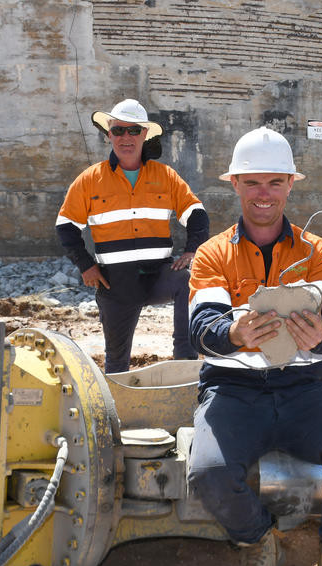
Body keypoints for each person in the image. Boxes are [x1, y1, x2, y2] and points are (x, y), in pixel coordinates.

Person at [187, 126, 322, 566]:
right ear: (234, 185)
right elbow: (201, 326)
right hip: (233, 391)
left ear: (291, 184)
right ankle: (260, 546)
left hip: (301, 391)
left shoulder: (317, 252)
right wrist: (232, 335)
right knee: (208, 473)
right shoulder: (212, 254)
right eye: (252, 183)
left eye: (275, 182)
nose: (264, 194)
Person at [55, 99, 209, 373]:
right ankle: (119, 408)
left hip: (159, 275)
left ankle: (184, 362)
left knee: (186, 280)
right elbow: (66, 226)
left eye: (134, 130)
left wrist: (191, 251)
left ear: (145, 135)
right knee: (116, 361)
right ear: (109, 135)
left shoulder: (166, 176)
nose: (126, 137)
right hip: (115, 282)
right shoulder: (90, 180)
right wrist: (86, 265)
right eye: (118, 130)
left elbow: (196, 213)